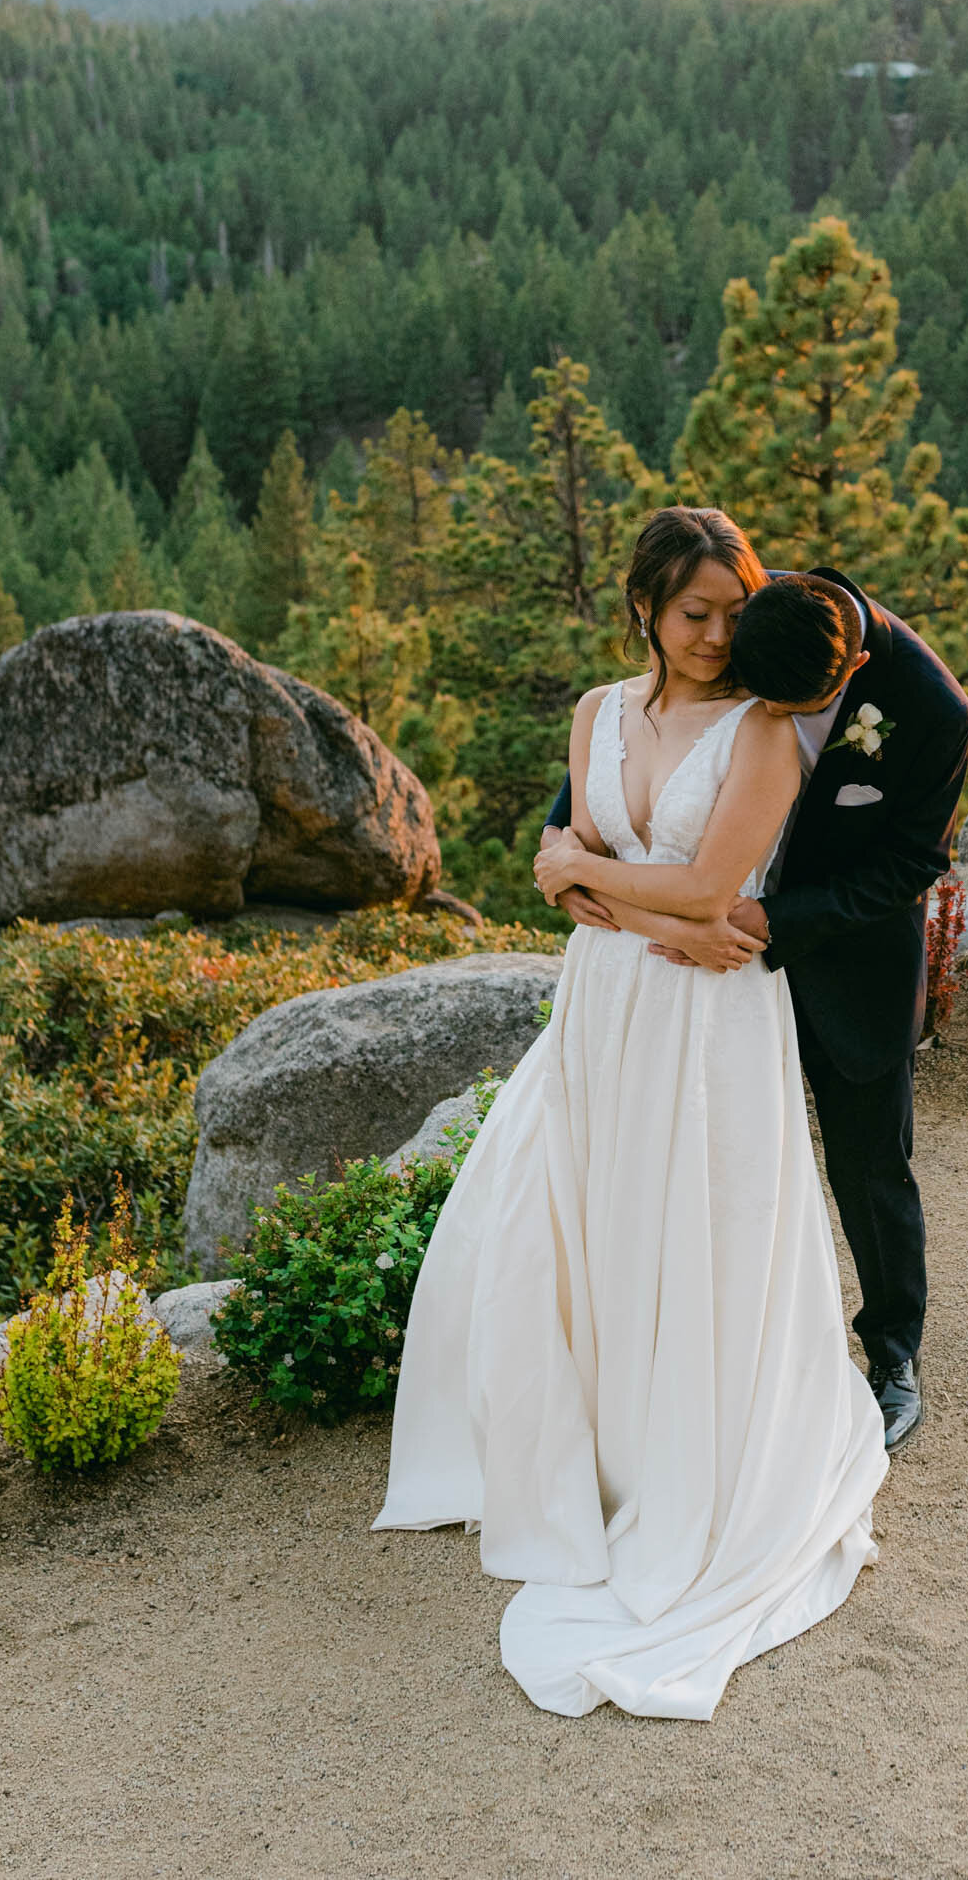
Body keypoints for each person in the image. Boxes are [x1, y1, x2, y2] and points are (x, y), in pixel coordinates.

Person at [374, 506, 889, 1721]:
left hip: (711, 1028)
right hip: (604, 1005)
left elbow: (712, 890)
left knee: (695, 1229)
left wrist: (583, 872)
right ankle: (595, 1452)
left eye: (729, 612)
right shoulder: (597, 713)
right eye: (691, 613)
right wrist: (620, 901)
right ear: (645, 610)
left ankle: (691, 1465)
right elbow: (645, 910)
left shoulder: (767, 730)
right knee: (581, 1220)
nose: (713, 635)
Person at [547, 561, 968, 1455]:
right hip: (693, 973)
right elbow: (641, 731)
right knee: (705, 1172)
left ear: (852, 665)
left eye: (798, 706)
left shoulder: (933, 710)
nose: (773, 719)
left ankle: (893, 1356)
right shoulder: (741, 606)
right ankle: (695, 1366)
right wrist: (567, 850)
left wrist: (771, 916)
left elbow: (908, 865)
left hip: (838, 958)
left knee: (871, 1163)